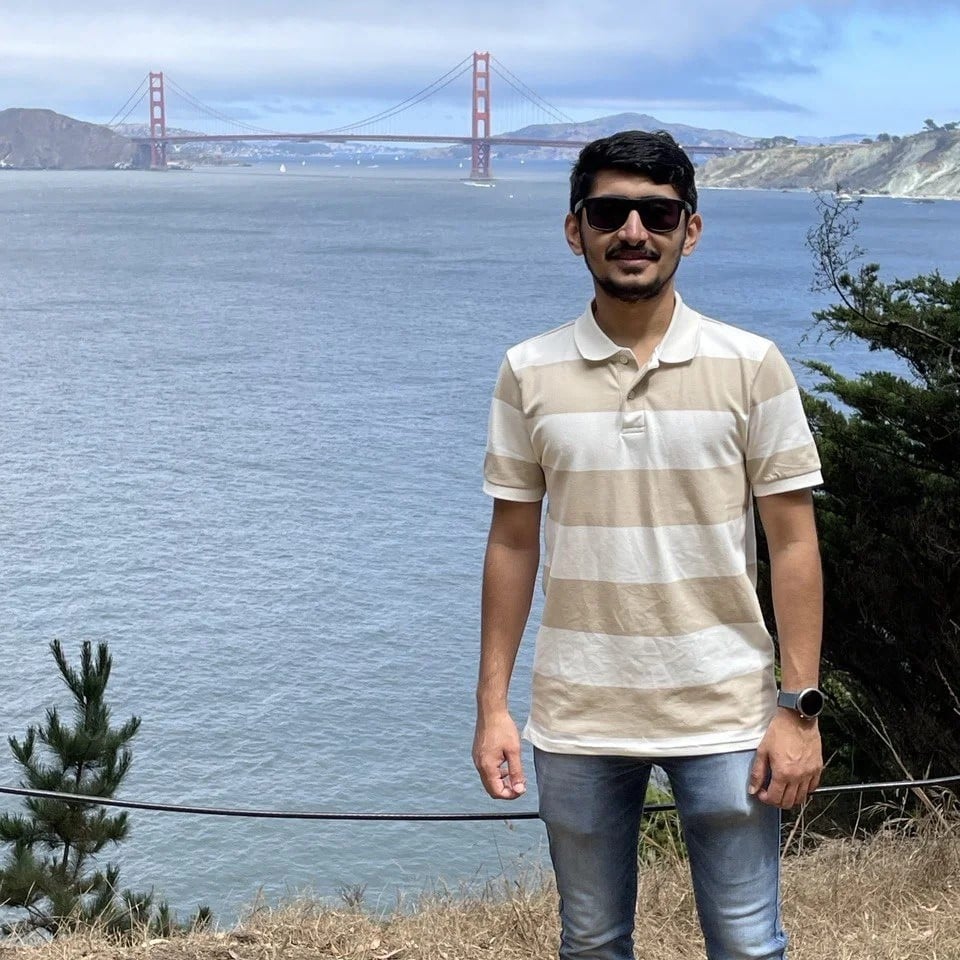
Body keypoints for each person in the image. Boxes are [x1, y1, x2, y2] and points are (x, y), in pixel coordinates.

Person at [472, 129, 825, 960]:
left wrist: (799, 709)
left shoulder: (752, 365)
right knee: (591, 944)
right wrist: (492, 707)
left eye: (657, 213)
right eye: (609, 211)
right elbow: (514, 541)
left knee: (746, 945)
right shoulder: (527, 371)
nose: (634, 230)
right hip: (579, 715)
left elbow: (796, 543)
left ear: (688, 230)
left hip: (727, 711)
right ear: (575, 229)